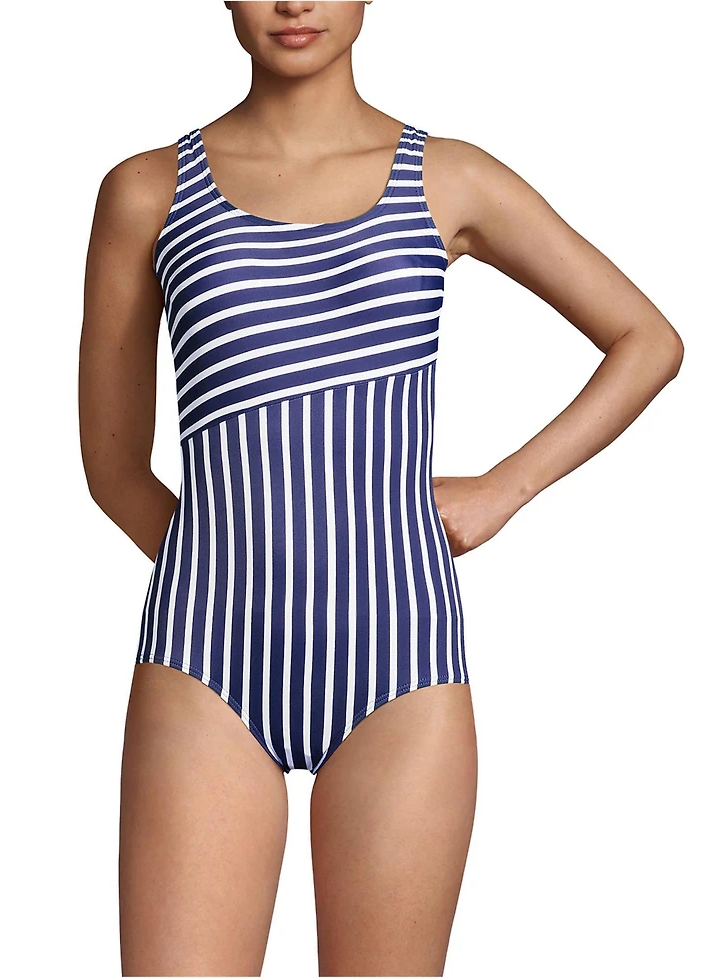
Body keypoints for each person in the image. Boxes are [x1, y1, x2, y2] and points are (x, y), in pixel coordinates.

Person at [78, 2, 683, 975]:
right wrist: (238, 564)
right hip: (204, 662)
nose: (294, 3)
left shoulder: (448, 178)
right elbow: (111, 470)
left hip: (400, 659)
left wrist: (501, 491)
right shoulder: (148, 191)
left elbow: (646, 341)